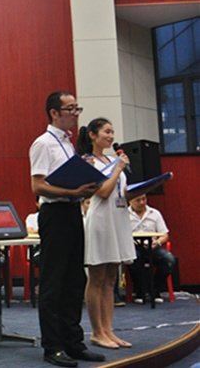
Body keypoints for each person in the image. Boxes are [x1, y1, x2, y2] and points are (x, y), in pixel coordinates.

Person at [29, 91, 103, 367]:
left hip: (72, 212)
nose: (75, 113)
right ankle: (53, 346)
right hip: (55, 214)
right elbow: (38, 186)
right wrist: (73, 190)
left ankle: (74, 343)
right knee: (53, 283)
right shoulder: (43, 143)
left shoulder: (68, 144)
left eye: (77, 108)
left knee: (75, 280)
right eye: (70, 108)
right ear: (54, 113)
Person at [76, 118, 135, 349]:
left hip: (118, 219)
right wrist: (118, 169)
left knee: (111, 278)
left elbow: (121, 192)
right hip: (100, 221)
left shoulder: (112, 160)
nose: (111, 136)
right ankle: (97, 332)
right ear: (93, 135)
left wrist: (142, 189)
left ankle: (109, 330)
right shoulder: (89, 162)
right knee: (97, 277)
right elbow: (102, 192)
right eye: (106, 132)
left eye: (112, 132)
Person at [128, 194, 175, 304]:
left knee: (169, 259)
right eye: (138, 200)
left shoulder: (155, 213)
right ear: (130, 201)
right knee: (132, 258)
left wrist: (157, 242)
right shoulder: (124, 215)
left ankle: (154, 288)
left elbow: (165, 234)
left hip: (152, 247)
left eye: (144, 199)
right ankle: (140, 291)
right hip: (133, 247)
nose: (142, 202)